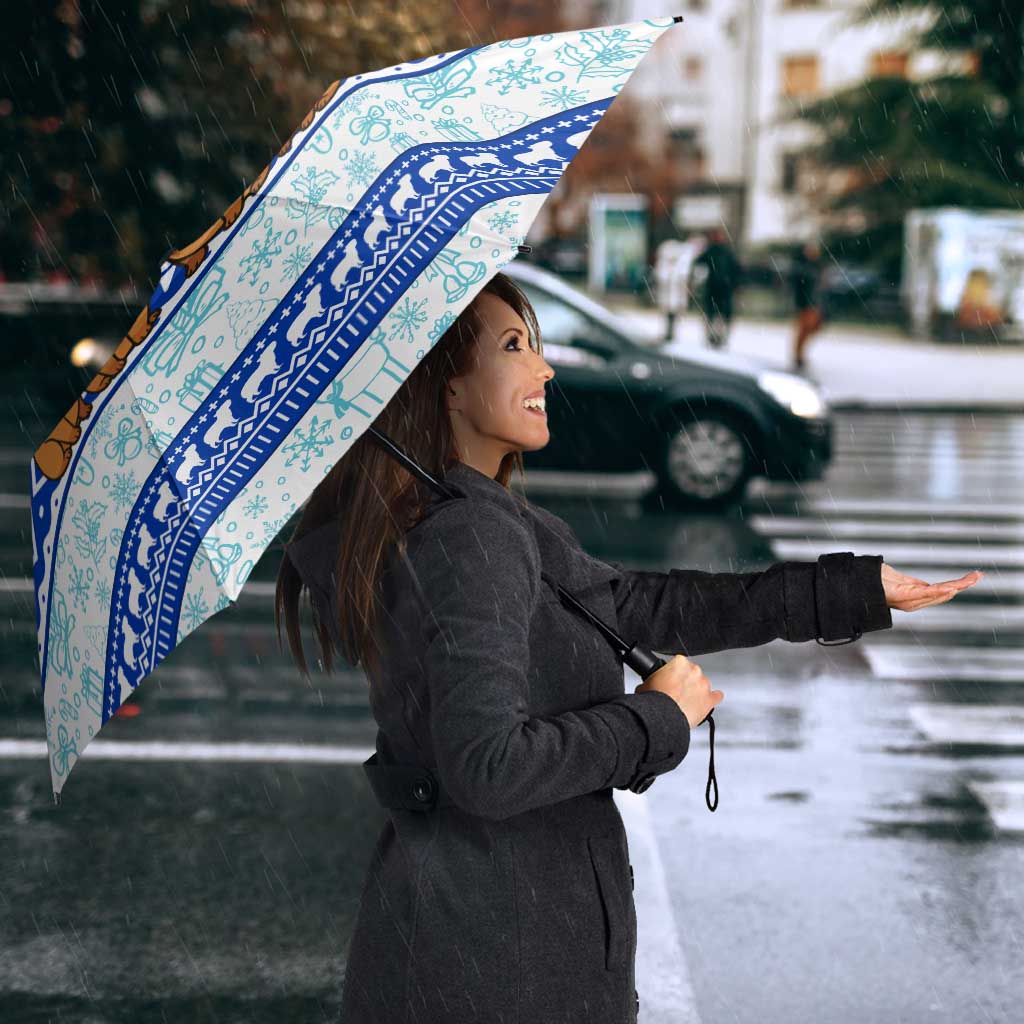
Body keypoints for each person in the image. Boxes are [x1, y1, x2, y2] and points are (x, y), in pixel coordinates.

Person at [275, 271, 970, 1024]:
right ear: (444, 385)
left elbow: (638, 605)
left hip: (477, 941)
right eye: (514, 346)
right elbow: (488, 768)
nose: (543, 367)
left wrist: (849, 591)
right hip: (501, 962)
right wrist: (657, 719)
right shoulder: (469, 536)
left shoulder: (472, 517)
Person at [692, 226, 742, 349]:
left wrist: (735, 284)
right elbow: (698, 264)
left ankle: (719, 337)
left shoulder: (725, 252)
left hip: (723, 288)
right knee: (713, 314)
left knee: (720, 315)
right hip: (715, 288)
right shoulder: (712, 251)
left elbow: (736, 270)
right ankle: (713, 337)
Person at [790, 239, 826, 370]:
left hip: (814, 303)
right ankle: (798, 355)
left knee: (812, 328)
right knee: (804, 329)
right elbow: (799, 286)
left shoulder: (817, 266)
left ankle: (799, 354)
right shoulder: (802, 267)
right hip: (805, 303)